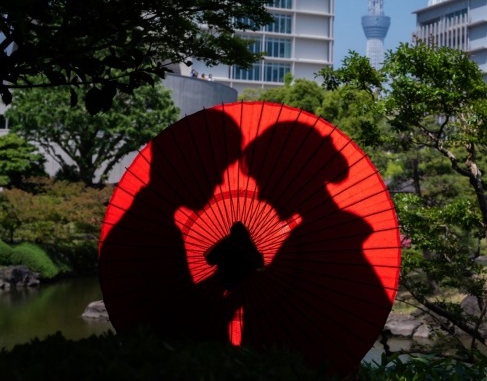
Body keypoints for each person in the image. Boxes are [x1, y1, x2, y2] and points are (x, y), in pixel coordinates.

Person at [239, 119, 393, 374]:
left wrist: (240, 276)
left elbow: (284, 324)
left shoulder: (318, 244)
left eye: (264, 182)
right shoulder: (327, 237)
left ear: (290, 179)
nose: (263, 195)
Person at [99, 108, 244, 342]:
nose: (219, 181)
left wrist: (226, 273)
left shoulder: (147, 219)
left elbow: (178, 300)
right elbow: (174, 319)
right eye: (218, 170)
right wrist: (230, 275)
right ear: (191, 166)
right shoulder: (150, 231)